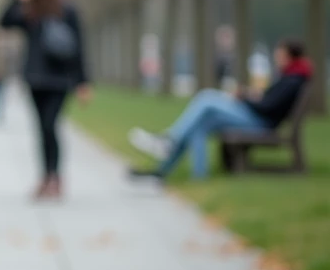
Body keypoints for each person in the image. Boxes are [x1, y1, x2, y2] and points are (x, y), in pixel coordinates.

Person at [128, 38, 311, 180]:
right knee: (201, 124)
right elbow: (269, 101)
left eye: (279, 52)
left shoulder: (293, 79)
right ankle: (167, 172)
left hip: (261, 123)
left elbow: (268, 107)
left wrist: (245, 97)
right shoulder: (291, 76)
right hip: (257, 118)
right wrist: (251, 94)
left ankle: (169, 141)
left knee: (207, 99)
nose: (276, 55)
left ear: (288, 55)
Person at [0, 0, 91, 199]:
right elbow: (4, 22)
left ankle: (55, 176)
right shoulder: (29, 10)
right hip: (35, 79)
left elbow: (79, 47)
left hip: (59, 79)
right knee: (41, 129)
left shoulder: (67, 9)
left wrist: (83, 82)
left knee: (51, 125)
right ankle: (46, 176)